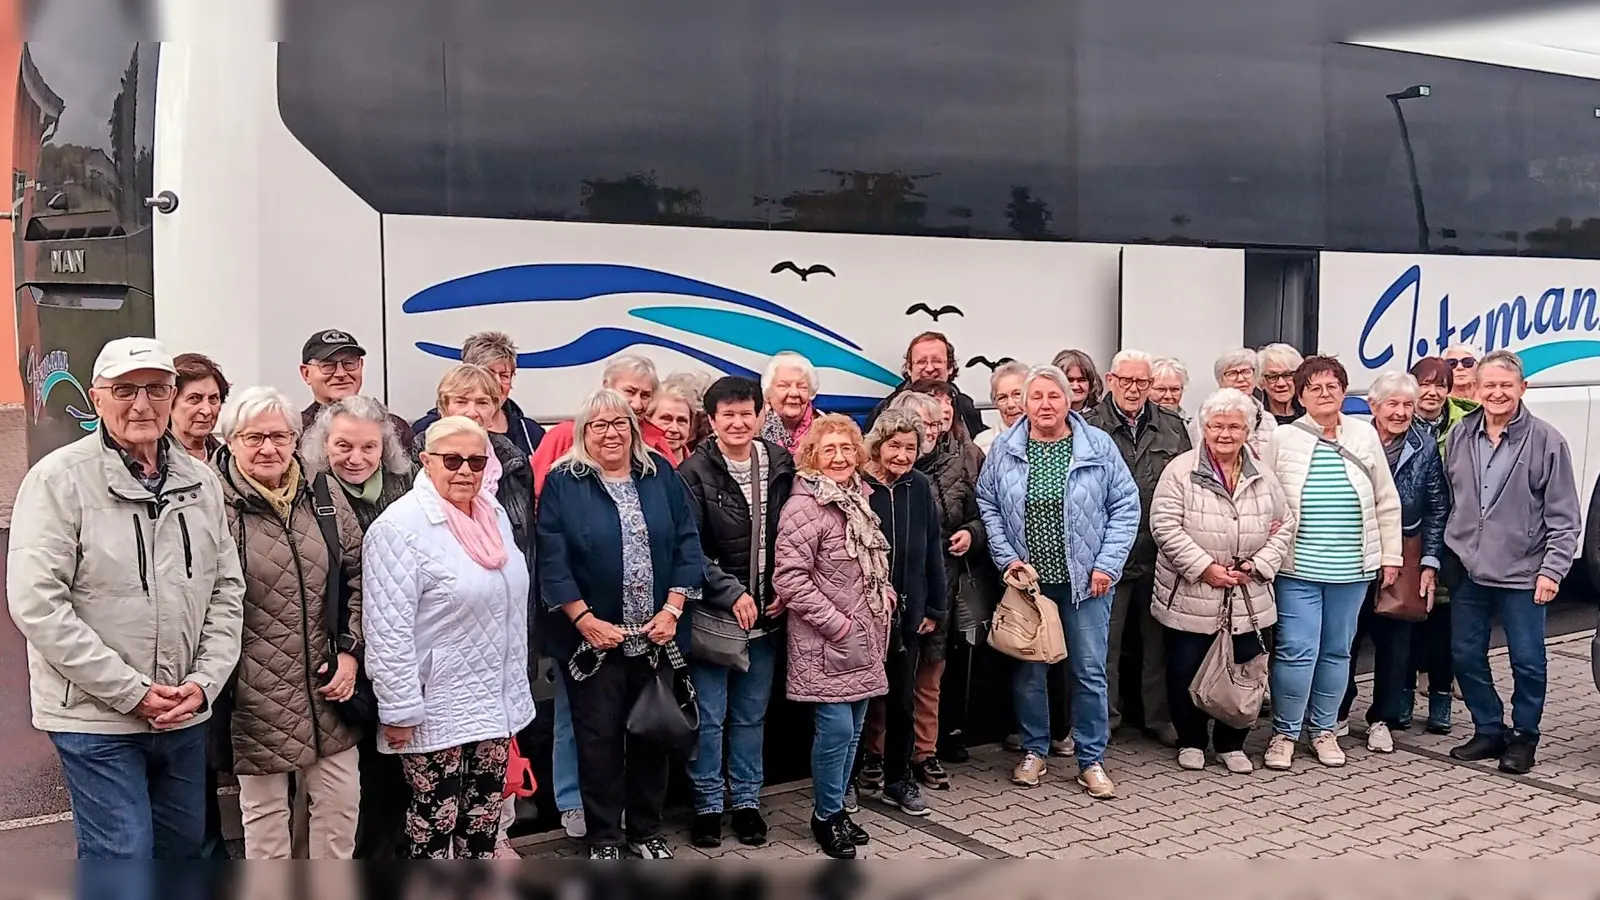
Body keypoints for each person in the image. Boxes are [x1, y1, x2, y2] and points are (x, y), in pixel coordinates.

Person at [7, 337, 245, 859]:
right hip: (96, 719)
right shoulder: (58, 481)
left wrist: (204, 683)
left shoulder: (201, 483)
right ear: (97, 398)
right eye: (124, 390)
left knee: (184, 855)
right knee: (123, 857)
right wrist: (130, 691)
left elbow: (227, 590)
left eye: (156, 389)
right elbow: (38, 604)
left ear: (171, 394)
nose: (141, 404)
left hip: (183, 712)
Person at [537, 389, 704, 860]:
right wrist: (583, 620)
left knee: (652, 735)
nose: (610, 434)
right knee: (598, 741)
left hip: (656, 638)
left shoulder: (660, 475)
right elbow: (553, 559)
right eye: (598, 425)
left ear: (633, 429)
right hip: (594, 644)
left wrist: (672, 611)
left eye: (620, 424)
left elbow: (687, 545)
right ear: (582, 433)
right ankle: (605, 836)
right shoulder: (564, 482)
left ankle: (646, 830)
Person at [365, 416, 535, 859]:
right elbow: (387, 629)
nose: (465, 471)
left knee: (483, 821)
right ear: (426, 461)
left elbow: (509, 605)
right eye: (453, 459)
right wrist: (399, 708)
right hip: (435, 704)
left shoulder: (491, 513)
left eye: (476, 461)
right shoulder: (399, 527)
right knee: (434, 824)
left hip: (491, 700)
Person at [212, 386, 365, 858]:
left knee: (340, 806)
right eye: (253, 436)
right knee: (266, 820)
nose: (268, 448)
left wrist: (349, 650)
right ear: (230, 440)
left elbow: (359, 571)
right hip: (254, 691)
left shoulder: (320, 491)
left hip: (327, 684)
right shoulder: (213, 502)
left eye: (280, 436)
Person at [977, 364, 1139, 799]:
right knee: (1030, 669)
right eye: (1036, 397)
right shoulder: (1006, 448)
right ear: (1023, 404)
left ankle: (1091, 760)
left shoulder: (1097, 445)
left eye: (1054, 396)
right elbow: (988, 503)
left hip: (1086, 583)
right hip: (1029, 584)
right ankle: (1033, 750)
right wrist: (1006, 557)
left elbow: (1125, 506)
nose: (1044, 405)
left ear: (1070, 400)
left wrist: (1107, 564)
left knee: (1088, 671)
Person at [1259, 355, 1402, 771]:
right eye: (1315, 388)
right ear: (1301, 395)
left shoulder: (1363, 435)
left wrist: (1389, 556)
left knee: (1338, 652)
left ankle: (1323, 730)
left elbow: (1386, 500)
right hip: (1297, 566)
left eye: (1333, 387)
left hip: (1351, 568)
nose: (1325, 394)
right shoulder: (1283, 440)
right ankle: (1285, 733)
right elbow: (1266, 497)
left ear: (1344, 391)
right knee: (1296, 651)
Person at [1445, 350, 1579, 775]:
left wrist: (1553, 569)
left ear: (1523, 388)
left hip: (1525, 571)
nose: (1498, 393)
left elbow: (1564, 514)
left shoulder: (1546, 441)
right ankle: (1488, 728)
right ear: (1476, 390)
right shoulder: (1460, 435)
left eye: (1507, 385)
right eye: (1490, 386)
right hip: (1469, 569)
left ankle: (1524, 737)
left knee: (1527, 659)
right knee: (1465, 654)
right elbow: (1451, 498)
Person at [677, 377, 795, 849]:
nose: (738, 422)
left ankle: (746, 802)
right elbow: (689, 548)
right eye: (728, 414)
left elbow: (795, 532)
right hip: (714, 618)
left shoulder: (780, 463)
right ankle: (707, 804)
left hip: (767, 614)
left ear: (761, 414)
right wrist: (730, 593)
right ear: (711, 420)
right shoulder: (694, 472)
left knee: (751, 716)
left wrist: (783, 587)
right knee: (710, 715)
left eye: (747, 413)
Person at [1149, 388, 1293, 774]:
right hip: (1192, 591)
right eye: (1216, 425)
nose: (1225, 434)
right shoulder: (1180, 470)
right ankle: (1192, 740)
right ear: (1203, 427)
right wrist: (1203, 567)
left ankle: (1232, 743)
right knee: (1186, 668)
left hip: (1248, 594)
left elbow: (1285, 525)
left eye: (1234, 426)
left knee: (1244, 668)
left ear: (1247, 430)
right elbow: (1163, 525)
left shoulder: (1263, 473)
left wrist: (1258, 564)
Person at [772, 414, 895, 860]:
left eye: (847, 449)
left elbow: (867, 561)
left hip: (865, 633)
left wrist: (885, 590)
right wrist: (838, 624)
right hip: (827, 641)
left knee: (856, 727)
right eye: (830, 450)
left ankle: (839, 809)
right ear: (813, 457)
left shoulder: (859, 497)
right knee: (836, 730)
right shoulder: (804, 506)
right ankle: (825, 816)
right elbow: (790, 579)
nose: (840, 457)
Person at [300, 394, 417, 858]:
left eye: (368, 448)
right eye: (343, 446)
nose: (356, 458)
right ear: (322, 445)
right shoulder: (309, 494)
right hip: (336, 655)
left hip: (394, 650)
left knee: (390, 773)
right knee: (335, 787)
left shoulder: (404, 488)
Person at [1336, 372, 1448, 753]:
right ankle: (1336, 711)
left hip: (1403, 551)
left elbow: (1436, 508)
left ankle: (1380, 719)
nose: (1400, 413)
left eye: (1407, 405)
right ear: (1373, 406)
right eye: (1392, 404)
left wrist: (1429, 562)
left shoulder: (1425, 445)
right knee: (1346, 636)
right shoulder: (1352, 438)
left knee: (1395, 640)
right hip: (1353, 548)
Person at [1086, 350, 1191, 746]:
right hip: (1106, 555)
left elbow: (1187, 483)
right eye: (1126, 381)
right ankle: (1106, 719)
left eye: (1142, 383)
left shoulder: (1171, 426)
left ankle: (1158, 717)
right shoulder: (1089, 426)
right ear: (1110, 380)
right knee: (1104, 645)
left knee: (1157, 642)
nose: (1134, 390)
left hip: (1160, 551)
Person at [853, 409, 946, 818]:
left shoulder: (920, 486)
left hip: (907, 613)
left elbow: (932, 550)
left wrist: (935, 606)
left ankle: (898, 780)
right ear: (878, 444)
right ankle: (850, 781)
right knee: (856, 701)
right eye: (895, 446)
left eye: (911, 447)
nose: (903, 455)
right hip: (862, 613)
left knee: (903, 702)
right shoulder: (858, 484)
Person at [894, 390, 991, 778]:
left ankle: (924, 752)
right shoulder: (884, 469)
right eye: (922, 424)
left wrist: (971, 533)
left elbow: (986, 514)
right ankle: (878, 754)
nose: (930, 432)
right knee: (891, 677)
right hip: (897, 583)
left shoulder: (965, 461)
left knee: (931, 672)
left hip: (943, 579)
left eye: (937, 423)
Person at [1408, 356, 1475, 733]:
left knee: (1443, 621)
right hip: (1410, 533)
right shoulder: (1400, 419)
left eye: (1440, 386)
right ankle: (1402, 695)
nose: (1431, 392)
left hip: (1453, 535)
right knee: (1404, 616)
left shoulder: (1465, 425)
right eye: (1425, 384)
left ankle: (1440, 700)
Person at [428, 364, 534, 561]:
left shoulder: (514, 461)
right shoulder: (418, 457)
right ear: (444, 408)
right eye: (461, 401)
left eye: (482, 403)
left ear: (494, 410)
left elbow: (528, 541)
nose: (472, 412)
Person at [531, 355, 677, 495]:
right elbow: (534, 495)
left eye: (645, 395)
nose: (637, 404)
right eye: (630, 392)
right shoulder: (564, 435)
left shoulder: (658, 443)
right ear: (606, 387)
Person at [412, 331, 546, 456]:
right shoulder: (425, 431)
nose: (497, 382)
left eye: (504, 375)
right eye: (489, 373)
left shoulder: (531, 434)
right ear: (468, 374)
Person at [298, 328, 416, 451]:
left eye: (349, 363)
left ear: (361, 366)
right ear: (306, 373)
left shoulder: (395, 428)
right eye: (328, 366)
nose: (341, 373)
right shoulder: (292, 431)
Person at [865, 332, 987, 437]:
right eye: (921, 362)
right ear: (909, 368)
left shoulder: (964, 406)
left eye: (936, 361)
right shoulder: (887, 408)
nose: (929, 368)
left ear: (950, 367)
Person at [1212, 348, 1276, 456]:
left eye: (1246, 372)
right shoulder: (1208, 415)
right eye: (1232, 373)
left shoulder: (1269, 419)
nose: (1241, 379)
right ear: (1220, 380)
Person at [171, 352, 230, 461]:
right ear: (170, 403)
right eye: (194, 398)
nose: (207, 411)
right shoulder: (155, 463)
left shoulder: (227, 460)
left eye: (213, 399)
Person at [761, 351, 821, 454]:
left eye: (801, 386)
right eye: (784, 386)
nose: (794, 393)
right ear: (768, 392)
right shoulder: (754, 429)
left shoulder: (826, 430)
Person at [974, 360, 1029, 454]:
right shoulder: (982, 444)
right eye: (1002, 398)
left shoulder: (1049, 438)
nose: (1010, 405)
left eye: (1017, 394)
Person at [650, 377, 699, 465]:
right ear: (648, 419)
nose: (674, 429)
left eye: (682, 421)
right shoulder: (632, 465)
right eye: (666, 419)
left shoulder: (701, 469)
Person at [1257, 343, 1305, 426]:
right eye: (1272, 376)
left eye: (1288, 375)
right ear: (1261, 380)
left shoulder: (1310, 415)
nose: (1281, 383)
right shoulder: (1254, 419)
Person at [1052, 349, 1102, 413]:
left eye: (1082, 380)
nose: (1075, 387)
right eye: (1069, 380)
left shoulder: (1104, 418)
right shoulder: (1046, 415)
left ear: (1091, 384)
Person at [1149, 357, 1191, 427]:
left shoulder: (1192, 428)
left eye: (1174, 389)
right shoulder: (1137, 426)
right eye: (1161, 389)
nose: (1168, 396)